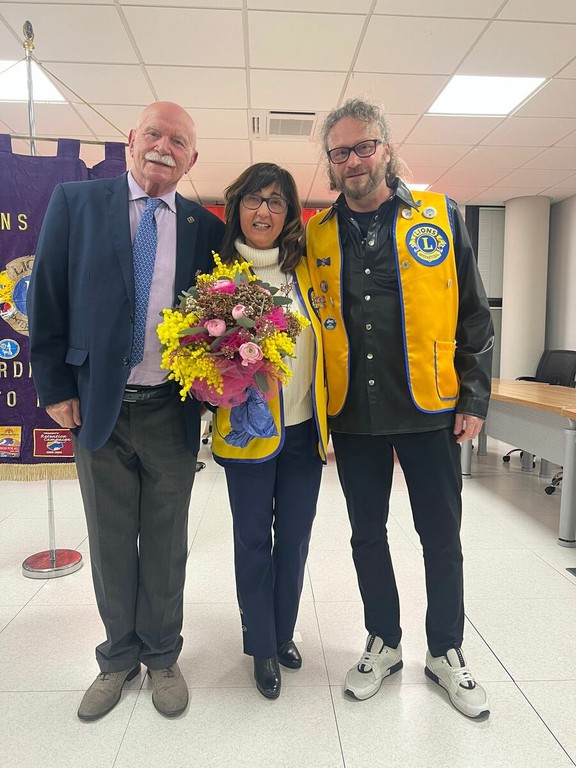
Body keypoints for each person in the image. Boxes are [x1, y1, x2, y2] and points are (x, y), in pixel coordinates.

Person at [27, 101, 225, 721]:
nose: (164, 146)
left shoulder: (203, 227)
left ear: (192, 159)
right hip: (96, 408)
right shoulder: (76, 203)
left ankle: (162, 656)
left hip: (170, 408)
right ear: (131, 140)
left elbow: (214, 320)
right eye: (155, 134)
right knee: (111, 540)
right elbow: (47, 297)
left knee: (166, 543)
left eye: (179, 141)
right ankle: (116, 659)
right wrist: (55, 387)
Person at [306, 98, 494, 719]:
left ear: (386, 148)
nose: (353, 160)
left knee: (440, 536)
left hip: (429, 406)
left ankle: (445, 650)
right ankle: (383, 641)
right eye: (340, 151)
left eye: (364, 146)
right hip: (353, 413)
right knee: (367, 536)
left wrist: (473, 395)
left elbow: (473, 315)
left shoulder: (439, 216)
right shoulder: (317, 234)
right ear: (331, 162)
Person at [211, 162, 328, 699]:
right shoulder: (219, 281)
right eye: (254, 200)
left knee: (296, 538)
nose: (264, 211)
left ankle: (283, 632)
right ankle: (261, 644)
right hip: (249, 434)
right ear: (237, 207)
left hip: (305, 431)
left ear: (290, 213)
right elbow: (202, 364)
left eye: (276, 201)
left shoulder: (306, 275)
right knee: (254, 539)